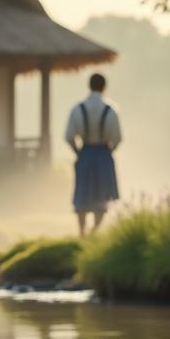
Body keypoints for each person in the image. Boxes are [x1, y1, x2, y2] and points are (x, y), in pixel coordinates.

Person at [65, 73, 122, 236]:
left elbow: (69, 136)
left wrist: (77, 151)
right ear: (104, 87)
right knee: (102, 196)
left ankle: (82, 232)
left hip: (85, 152)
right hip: (103, 153)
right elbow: (117, 138)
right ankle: (94, 231)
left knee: (82, 194)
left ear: (89, 86)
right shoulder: (111, 110)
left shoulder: (78, 108)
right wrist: (110, 150)